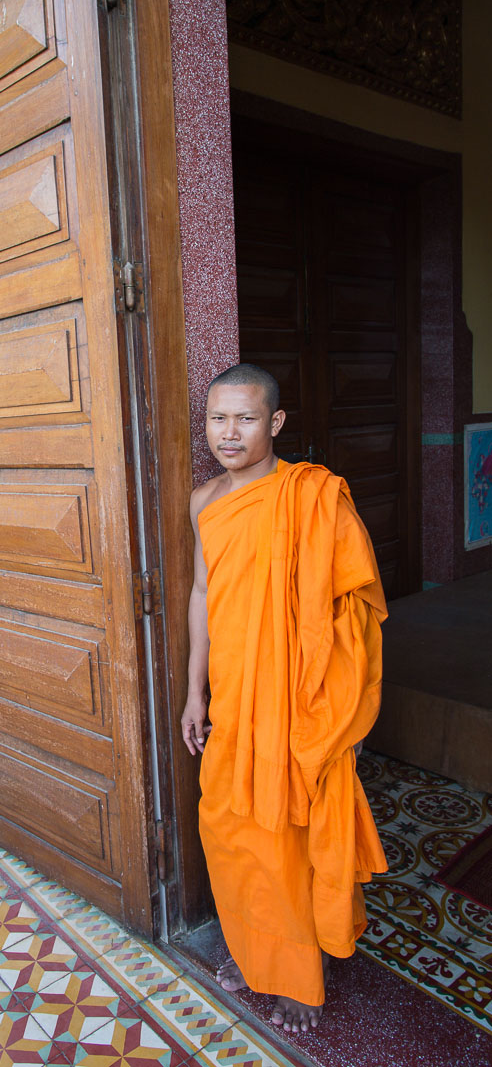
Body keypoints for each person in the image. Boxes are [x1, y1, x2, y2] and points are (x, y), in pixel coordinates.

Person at [180, 363, 388, 1034]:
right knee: (229, 826)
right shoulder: (205, 500)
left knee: (290, 835)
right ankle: (252, 950)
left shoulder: (313, 497)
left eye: (245, 419)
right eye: (217, 419)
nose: (229, 433)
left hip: (298, 701)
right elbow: (204, 596)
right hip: (236, 698)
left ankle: (301, 976)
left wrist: (344, 708)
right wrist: (193, 691)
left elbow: (353, 609)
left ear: (275, 424)